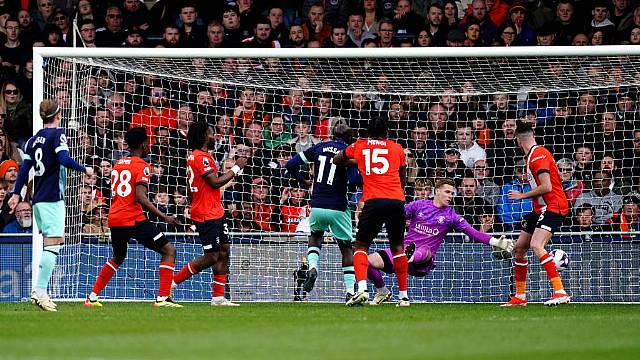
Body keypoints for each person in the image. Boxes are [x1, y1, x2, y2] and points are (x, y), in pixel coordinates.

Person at [367, 179, 514, 305]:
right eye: (447, 192)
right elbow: (396, 216)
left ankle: (409, 256)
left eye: (452, 193)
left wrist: (495, 241)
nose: (450, 196)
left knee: (423, 250)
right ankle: (382, 291)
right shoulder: (418, 206)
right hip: (402, 252)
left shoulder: (452, 216)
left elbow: (473, 233)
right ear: (437, 191)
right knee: (368, 261)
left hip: (423, 261)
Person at [8, 100, 93, 311]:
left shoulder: (32, 140)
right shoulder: (58, 134)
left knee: (51, 244)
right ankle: (40, 291)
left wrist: (17, 194)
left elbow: (24, 168)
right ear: (59, 115)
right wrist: (85, 170)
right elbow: (64, 159)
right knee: (53, 245)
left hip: (37, 200)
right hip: (52, 198)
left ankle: (40, 290)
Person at [84, 127, 181, 308]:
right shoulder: (143, 166)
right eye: (148, 142)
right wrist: (164, 217)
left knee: (118, 256)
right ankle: (163, 299)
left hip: (115, 218)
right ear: (144, 144)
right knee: (169, 251)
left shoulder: (118, 164)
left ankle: (92, 297)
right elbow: (140, 197)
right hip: (132, 218)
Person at [333, 118, 409, 307]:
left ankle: (362, 290)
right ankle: (404, 296)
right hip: (396, 200)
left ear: (368, 132)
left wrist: (355, 161)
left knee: (360, 246)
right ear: (387, 133)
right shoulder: (397, 148)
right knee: (398, 248)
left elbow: (337, 159)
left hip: (373, 200)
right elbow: (403, 177)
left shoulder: (360, 145)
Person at [171, 121, 247, 306]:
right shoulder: (199, 157)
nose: (215, 137)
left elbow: (198, 186)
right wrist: (236, 168)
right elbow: (214, 182)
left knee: (224, 251)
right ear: (205, 136)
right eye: (212, 133)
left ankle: (218, 297)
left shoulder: (201, 156)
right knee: (212, 256)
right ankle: (172, 282)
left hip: (216, 211)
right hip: (206, 214)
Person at [285, 122, 361, 302]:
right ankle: (350, 291)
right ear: (349, 138)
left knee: (316, 236)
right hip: (338, 206)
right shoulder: (348, 151)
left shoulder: (318, 147)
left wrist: (303, 182)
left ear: (332, 134)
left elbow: (290, 164)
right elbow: (354, 180)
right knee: (346, 248)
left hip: (317, 204)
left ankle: (313, 266)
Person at [502, 123, 571, 307]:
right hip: (540, 209)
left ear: (518, 140)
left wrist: (521, 195)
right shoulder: (531, 156)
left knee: (536, 245)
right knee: (519, 249)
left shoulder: (538, 155)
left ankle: (560, 291)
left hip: (553, 206)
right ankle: (520, 297)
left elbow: (547, 187)